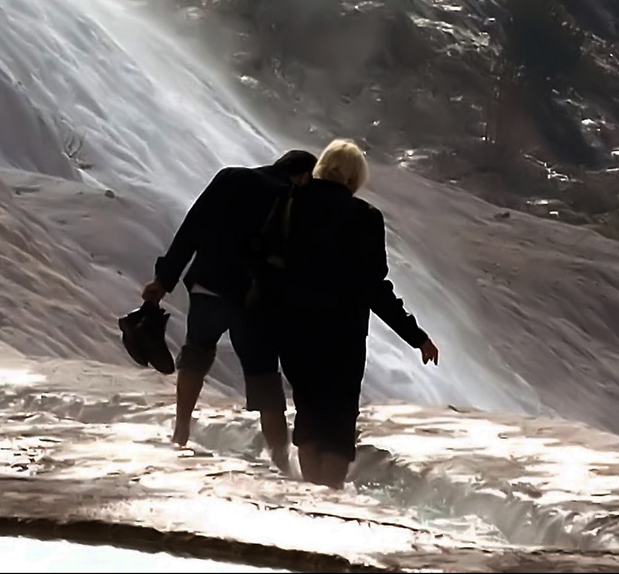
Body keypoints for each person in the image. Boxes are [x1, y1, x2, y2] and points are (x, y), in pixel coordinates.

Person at [270, 140, 440, 489]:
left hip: (294, 329)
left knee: (308, 410)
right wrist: (416, 336)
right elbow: (374, 287)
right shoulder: (364, 218)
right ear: (354, 176)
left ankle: (310, 494)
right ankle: (328, 495)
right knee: (338, 419)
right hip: (342, 336)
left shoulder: (290, 203)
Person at [142, 150, 317, 468]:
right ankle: (280, 460)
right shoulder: (294, 200)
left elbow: (191, 227)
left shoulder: (231, 177)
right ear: (304, 176)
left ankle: (181, 430)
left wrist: (163, 280)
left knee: (195, 355)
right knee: (264, 377)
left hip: (208, 287)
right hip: (254, 302)